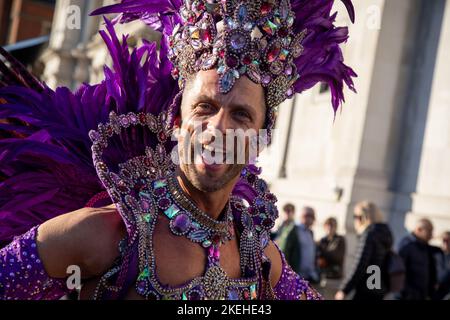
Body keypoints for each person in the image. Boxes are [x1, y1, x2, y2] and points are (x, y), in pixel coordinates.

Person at [0, 0, 356, 300]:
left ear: (262, 137)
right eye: (204, 107)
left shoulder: (259, 257)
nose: (217, 129)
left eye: (241, 115)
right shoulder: (106, 234)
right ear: (175, 121)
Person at [335, 201, 393, 300]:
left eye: (356, 217)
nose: (355, 220)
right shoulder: (385, 234)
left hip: (366, 289)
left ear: (363, 217)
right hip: (379, 288)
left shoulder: (369, 235)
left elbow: (360, 264)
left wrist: (344, 289)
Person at [398, 219, 443, 300]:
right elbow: (400, 272)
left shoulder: (424, 247)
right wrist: (408, 293)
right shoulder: (407, 245)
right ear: (419, 230)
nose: (431, 235)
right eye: (429, 231)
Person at [284, 207, 320, 283]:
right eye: (307, 215)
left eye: (312, 216)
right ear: (301, 216)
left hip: (309, 277)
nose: (310, 218)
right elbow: (286, 252)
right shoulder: (294, 230)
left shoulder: (310, 232)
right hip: (296, 276)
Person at [317, 217, 346, 299]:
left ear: (336, 227)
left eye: (332, 225)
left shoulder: (340, 239)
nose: (330, 227)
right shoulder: (322, 240)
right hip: (323, 278)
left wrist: (322, 250)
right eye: (328, 224)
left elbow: (337, 256)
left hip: (335, 279)